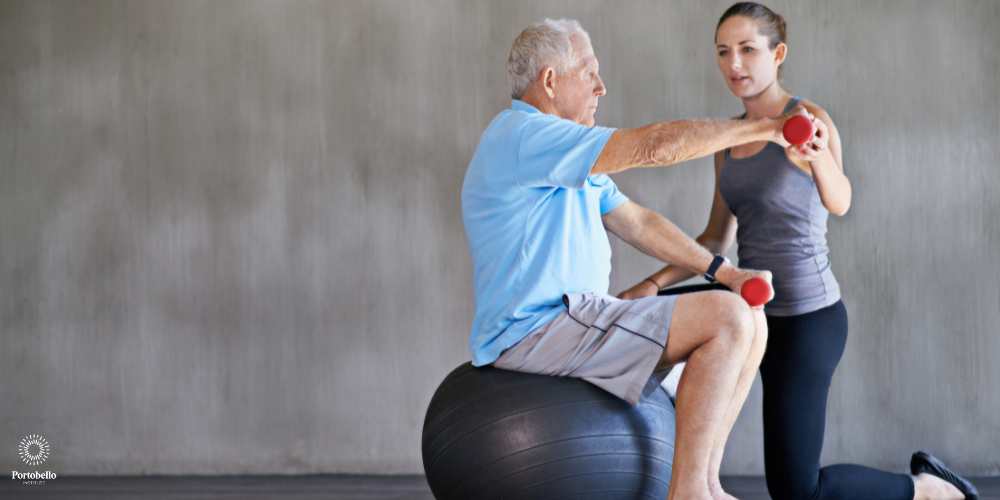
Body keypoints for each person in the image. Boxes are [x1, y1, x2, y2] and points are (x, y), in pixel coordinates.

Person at [618, 3, 978, 500]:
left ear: (777, 53)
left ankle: (927, 490)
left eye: (747, 49)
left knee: (796, 491)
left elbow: (842, 201)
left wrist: (816, 158)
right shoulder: (728, 142)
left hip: (809, 319)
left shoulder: (808, 120)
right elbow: (714, 241)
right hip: (750, 315)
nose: (734, 64)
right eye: (724, 52)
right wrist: (652, 283)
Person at [462, 18, 812, 500]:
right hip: (537, 329)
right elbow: (656, 146)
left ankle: (707, 485)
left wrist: (724, 272)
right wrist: (765, 129)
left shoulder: (562, 155)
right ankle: (688, 493)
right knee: (727, 318)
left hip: (577, 318)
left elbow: (639, 224)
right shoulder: (525, 136)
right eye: (589, 73)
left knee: (750, 317)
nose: (601, 88)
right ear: (549, 81)